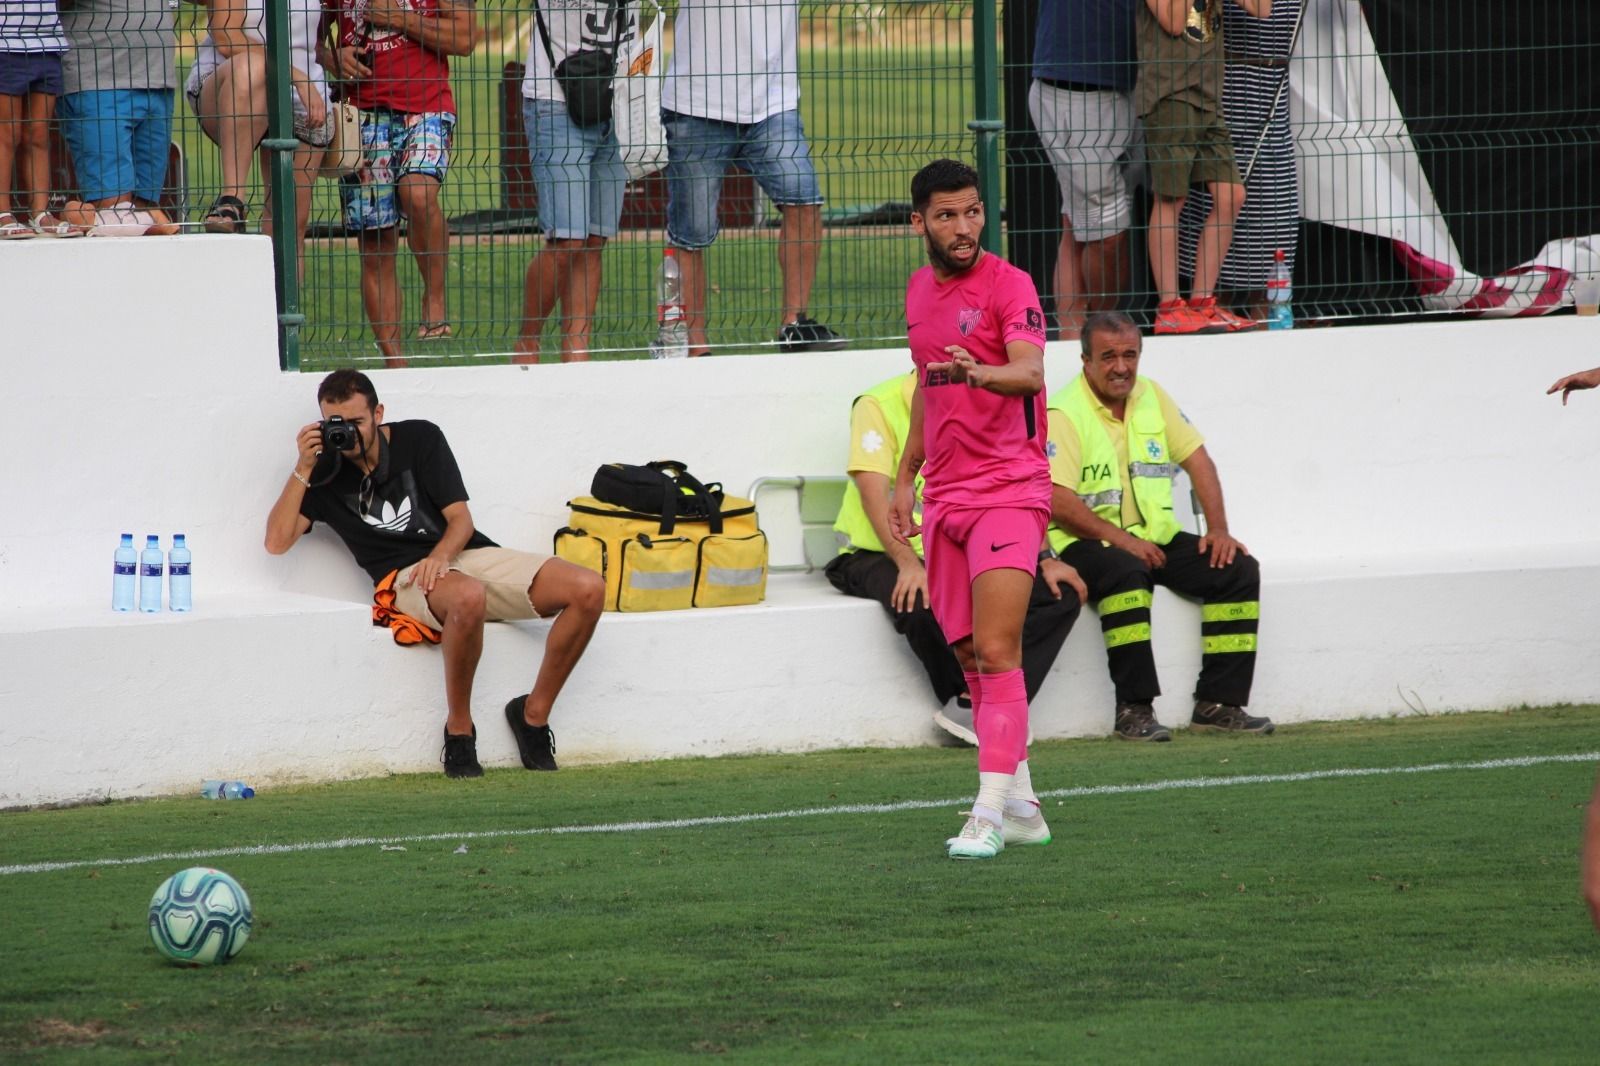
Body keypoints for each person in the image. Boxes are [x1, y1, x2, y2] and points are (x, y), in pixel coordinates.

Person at [264, 369, 606, 778]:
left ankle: (533, 715)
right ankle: (459, 730)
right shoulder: (324, 471)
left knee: (588, 588)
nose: (348, 434)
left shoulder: (419, 439)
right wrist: (304, 466)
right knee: (465, 596)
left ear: (378, 413)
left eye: (356, 422)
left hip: (461, 554)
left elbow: (460, 521)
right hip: (402, 577)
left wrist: (441, 557)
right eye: (335, 423)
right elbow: (276, 542)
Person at [889, 159, 1053, 861]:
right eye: (948, 215)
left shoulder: (1009, 285)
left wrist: (978, 371)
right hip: (948, 495)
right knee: (969, 658)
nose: (964, 228)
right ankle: (1024, 806)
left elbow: (1031, 371)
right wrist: (906, 473)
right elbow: (929, 387)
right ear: (918, 222)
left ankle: (985, 813)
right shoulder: (919, 292)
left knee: (996, 649)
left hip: (1010, 488)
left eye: (973, 212)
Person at [826, 369, 1087, 744]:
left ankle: (975, 704)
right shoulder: (877, 404)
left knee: (1055, 596)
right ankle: (979, 704)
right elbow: (874, 495)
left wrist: (1044, 556)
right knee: (918, 600)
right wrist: (907, 564)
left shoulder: (980, 397)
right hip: (875, 551)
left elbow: (1010, 487)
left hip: (951, 545)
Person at [1045, 310, 1270, 740]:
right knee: (1127, 575)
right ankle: (1134, 709)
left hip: (1155, 539)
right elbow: (1057, 502)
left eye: (1130, 354)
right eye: (1108, 356)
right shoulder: (1064, 411)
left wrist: (1218, 529)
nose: (1121, 367)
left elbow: (1198, 461)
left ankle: (1219, 703)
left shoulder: (1151, 395)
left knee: (1238, 569)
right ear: (1085, 362)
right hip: (1085, 543)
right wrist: (1123, 542)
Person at [661, 0, 844, 356]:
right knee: (691, 230)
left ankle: (794, 326)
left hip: (773, 103)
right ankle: (693, 343)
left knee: (804, 199)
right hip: (697, 102)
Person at [322, 0, 477, 365]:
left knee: (419, 194)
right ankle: (396, 363)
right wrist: (333, 58)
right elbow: (303, 40)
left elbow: (467, 39)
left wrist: (400, 19)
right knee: (376, 240)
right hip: (360, 113)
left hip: (427, 106)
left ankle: (434, 297)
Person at [1136, 0, 1272, 335]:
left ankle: (1202, 303)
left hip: (1209, 95)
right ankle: (1169, 308)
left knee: (1231, 196)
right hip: (1171, 92)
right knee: (1171, 199)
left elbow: (1263, 8)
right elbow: (1172, 20)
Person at [510, 0, 630, 364]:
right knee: (567, 239)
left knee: (594, 238)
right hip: (556, 98)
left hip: (620, 94)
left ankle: (577, 354)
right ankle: (527, 344)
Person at [1176, 0, 1302, 319]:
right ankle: (1207, 322)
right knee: (1219, 276)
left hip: (1271, 101)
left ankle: (1269, 344)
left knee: (1272, 258)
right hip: (1218, 97)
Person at [186, 0, 328, 268]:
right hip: (231, 81)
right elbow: (227, 36)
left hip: (304, 96)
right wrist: (294, 73)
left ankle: (279, 309)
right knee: (251, 67)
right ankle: (232, 200)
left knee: (289, 226)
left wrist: (327, 63)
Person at [1028, 0, 1138, 340]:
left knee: (1077, 221)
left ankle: (1074, 338)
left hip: (1134, 80)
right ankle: (1101, 336)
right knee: (1106, 233)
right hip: (1076, 85)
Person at [56, 0, 180, 237]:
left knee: (145, 207)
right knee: (114, 212)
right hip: (98, 78)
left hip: (158, 79)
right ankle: (68, 216)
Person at [0, 1, 77, 239]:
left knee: (40, 134)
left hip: (48, 42)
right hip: (5, 40)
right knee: (6, 134)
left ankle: (40, 213)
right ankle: (2, 213)